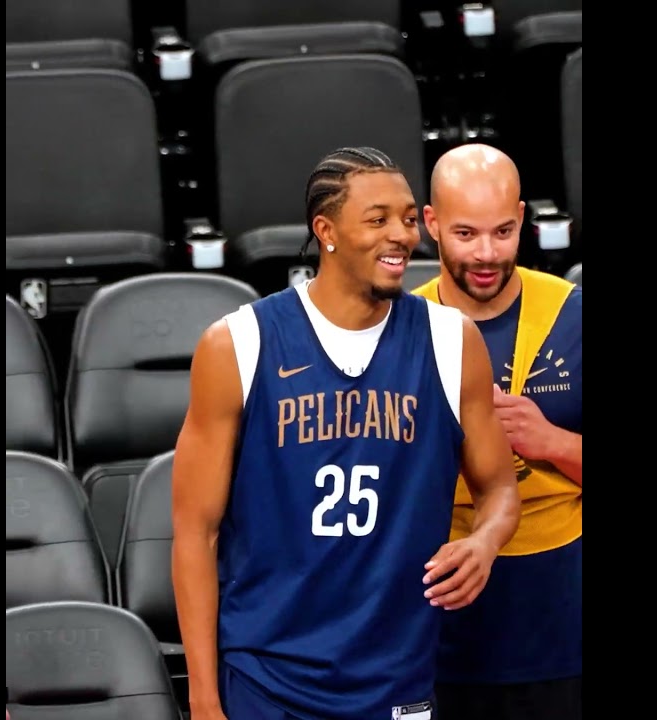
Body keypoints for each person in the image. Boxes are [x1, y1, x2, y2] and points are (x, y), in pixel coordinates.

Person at [171, 146, 522, 720]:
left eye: (409, 219)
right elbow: (195, 534)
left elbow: (500, 489)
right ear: (325, 230)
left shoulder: (451, 341)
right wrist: (204, 697)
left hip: (395, 676)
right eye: (377, 219)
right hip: (266, 677)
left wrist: (484, 542)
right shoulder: (237, 344)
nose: (402, 236)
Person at [412, 143, 582, 720]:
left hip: (561, 613)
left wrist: (552, 442)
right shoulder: (398, 331)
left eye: (503, 232)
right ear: (431, 224)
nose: (486, 254)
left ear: (523, 220)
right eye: (465, 235)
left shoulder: (572, 314)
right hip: (439, 616)